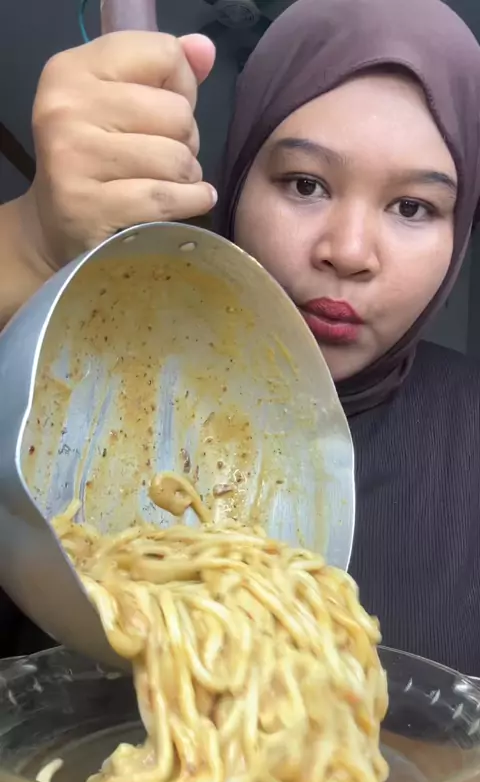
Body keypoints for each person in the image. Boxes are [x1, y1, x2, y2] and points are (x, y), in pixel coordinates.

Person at [2, 0, 480, 676]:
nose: (348, 251)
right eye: (305, 184)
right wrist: (25, 244)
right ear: (237, 181)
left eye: (412, 207)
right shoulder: (71, 374)